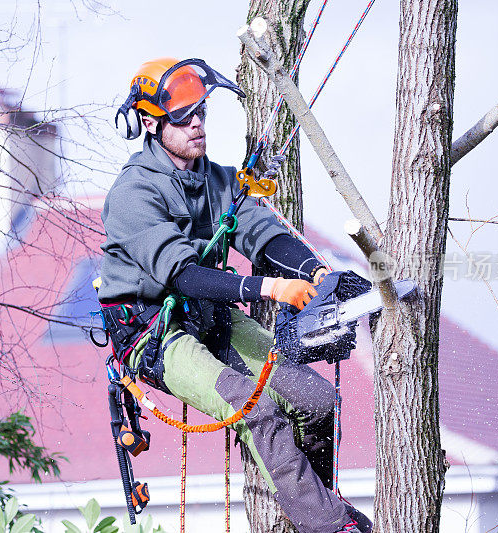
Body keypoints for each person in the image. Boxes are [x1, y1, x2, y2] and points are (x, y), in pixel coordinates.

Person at [99, 57, 371, 533]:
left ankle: (313, 501)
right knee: (253, 405)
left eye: (202, 112)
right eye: (184, 117)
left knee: (316, 400)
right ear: (150, 121)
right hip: (156, 335)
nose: (198, 124)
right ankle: (328, 524)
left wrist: (316, 272)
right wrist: (271, 288)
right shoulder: (132, 194)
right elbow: (182, 274)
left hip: (210, 316)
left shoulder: (218, 180)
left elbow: (263, 235)